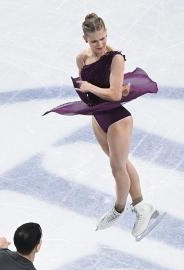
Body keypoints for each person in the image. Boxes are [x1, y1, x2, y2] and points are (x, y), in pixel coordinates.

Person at [44, 13, 162, 240]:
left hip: (118, 119)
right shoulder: (81, 59)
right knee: (122, 163)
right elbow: (86, 91)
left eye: (103, 38)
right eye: (94, 41)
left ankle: (119, 209)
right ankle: (141, 206)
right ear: (85, 39)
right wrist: (89, 88)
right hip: (98, 117)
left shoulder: (116, 58)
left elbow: (114, 94)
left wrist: (96, 87)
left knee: (116, 168)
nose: (100, 44)